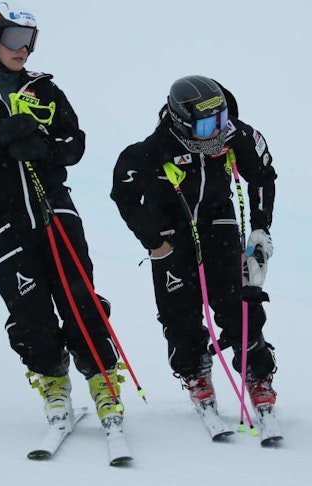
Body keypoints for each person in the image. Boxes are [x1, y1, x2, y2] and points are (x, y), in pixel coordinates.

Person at [0, 3, 125, 436]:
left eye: (30, 40)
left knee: (79, 298)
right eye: (15, 39)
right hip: (0, 221)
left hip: (53, 209)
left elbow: (75, 142)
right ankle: (54, 385)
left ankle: (104, 382)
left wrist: (45, 148)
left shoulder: (43, 88)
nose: (24, 49)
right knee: (29, 310)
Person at [110, 75, 280, 440]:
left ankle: (258, 374)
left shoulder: (236, 135)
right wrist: (153, 241)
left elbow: (263, 176)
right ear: (181, 121)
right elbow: (123, 192)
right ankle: (195, 373)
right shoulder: (154, 149)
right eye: (206, 126)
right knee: (178, 311)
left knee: (238, 302)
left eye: (221, 119)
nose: (217, 131)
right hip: (171, 233)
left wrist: (260, 229)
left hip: (218, 222)